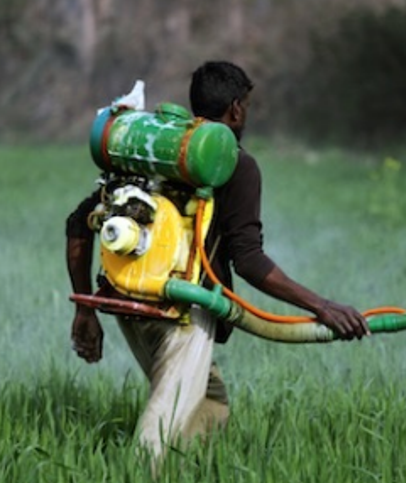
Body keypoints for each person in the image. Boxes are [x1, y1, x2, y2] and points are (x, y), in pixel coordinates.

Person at [65, 61, 369, 459]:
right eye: (247, 106)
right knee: (164, 427)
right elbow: (249, 260)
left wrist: (85, 309)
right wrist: (322, 306)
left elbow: (78, 224)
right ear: (237, 109)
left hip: (129, 298)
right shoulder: (235, 165)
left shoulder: (151, 151)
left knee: (210, 403)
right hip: (185, 310)